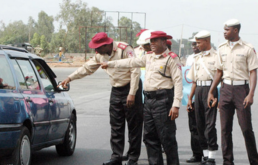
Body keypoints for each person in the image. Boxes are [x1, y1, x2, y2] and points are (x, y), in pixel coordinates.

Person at [59, 32, 143, 165]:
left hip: (131, 88)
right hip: (116, 90)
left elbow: (135, 70)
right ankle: (116, 157)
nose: (95, 50)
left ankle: (133, 158)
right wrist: (70, 78)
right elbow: (87, 68)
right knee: (116, 125)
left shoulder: (124, 49)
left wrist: (132, 93)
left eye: (97, 47)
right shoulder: (100, 55)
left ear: (106, 44)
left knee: (134, 126)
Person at [101, 31, 182, 165]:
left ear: (163, 41)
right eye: (151, 41)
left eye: (155, 41)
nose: (152, 44)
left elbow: (178, 82)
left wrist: (176, 105)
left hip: (163, 100)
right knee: (150, 138)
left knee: (167, 138)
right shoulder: (148, 57)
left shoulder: (171, 58)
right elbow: (130, 62)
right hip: (148, 101)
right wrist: (110, 64)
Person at [207, 19, 258, 165]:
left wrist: (251, 93)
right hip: (225, 90)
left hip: (242, 90)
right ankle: (227, 161)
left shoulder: (248, 48)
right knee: (225, 129)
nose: (224, 32)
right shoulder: (221, 48)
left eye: (227, 30)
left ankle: (254, 161)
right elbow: (218, 72)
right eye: (224, 30)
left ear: (235, 30)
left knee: (246, 128)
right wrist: (211, 91)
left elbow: (253, 72)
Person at [187, 30, 218, 165]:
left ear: (207, 40)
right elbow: (194, 81)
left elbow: (220, 76)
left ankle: (212, 155)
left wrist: (214, 92)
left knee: (209, 124)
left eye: (199, 42)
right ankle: (205, 155)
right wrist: (190, 98)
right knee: (199, 124)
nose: (197, 45)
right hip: (198, 90)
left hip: (210, 90)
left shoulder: (217, 56)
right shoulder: (197, 58)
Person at [185, 37, 204, 163]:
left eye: (196, 44)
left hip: (205, 94)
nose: (194, 46)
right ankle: (196, 154)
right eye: (192, 44)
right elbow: (186, 79)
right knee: (193, 126)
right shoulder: (190, 58)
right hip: (191, 94)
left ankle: (207, 154)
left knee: (205, 126)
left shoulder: (211, 57)